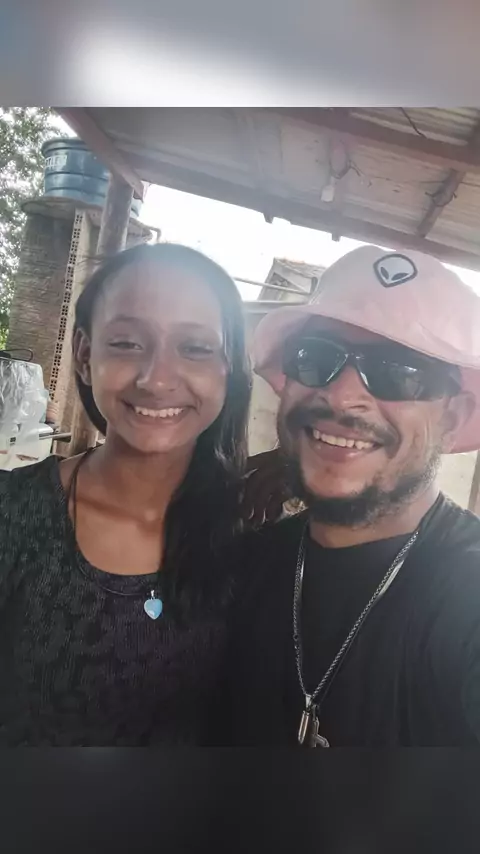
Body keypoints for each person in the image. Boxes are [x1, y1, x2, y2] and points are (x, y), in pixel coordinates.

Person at [224, 245, 480, 747]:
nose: (341, 397)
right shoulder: (241, 567)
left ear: (452, 418)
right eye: (316, 357)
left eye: (397, 372)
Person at [0, 241, 252, 746]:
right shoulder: (12, 514)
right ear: (84, 355)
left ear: (229, 369)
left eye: (196, 348)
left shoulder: (257, 535)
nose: (156, 379)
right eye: (127, 343)